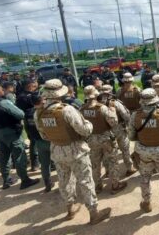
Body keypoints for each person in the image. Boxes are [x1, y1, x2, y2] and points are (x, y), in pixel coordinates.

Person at [35, 80, 111, 224]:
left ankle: (70, 209)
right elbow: (84, 130)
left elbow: (43, 135)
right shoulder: (67, 109)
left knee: (64, 181)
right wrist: (89, 123)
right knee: (85, 181)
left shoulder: (39, 113)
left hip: (57, 151)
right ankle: (94, 213)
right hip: (76, 151)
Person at [128, 88, 159, 215]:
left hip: (143, 151)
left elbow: (130, 136)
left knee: (145, 178)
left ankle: (146, 203)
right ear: (155, 100)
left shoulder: (135, 115)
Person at [0, 82, 39, 190]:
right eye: (0, 88)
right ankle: (25, 180)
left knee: (3, 157)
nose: (2, 90)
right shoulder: (2, 102)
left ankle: (6, 180)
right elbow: (20, 114)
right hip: (10, 132)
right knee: (19, 156)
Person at [80, 86, 128, 195]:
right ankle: (115, 185)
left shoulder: (82, 109)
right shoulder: (102, 108)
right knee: (112, 161)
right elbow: (114, 122)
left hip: (91, 139)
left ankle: (97, 186)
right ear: (96, 95)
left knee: (95, 163)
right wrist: (112, 110)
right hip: (105, 138)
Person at [98, 84, 137, 177]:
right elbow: (126, 115)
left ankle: (108, 171)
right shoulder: (115, 102)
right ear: (111, 91)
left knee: (106, 152)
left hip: (104, 131)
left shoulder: (97, 103)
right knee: (125, 148)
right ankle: (129, 167)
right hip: (118, 129)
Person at [16, 80, 41, 172]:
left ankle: (35, 163)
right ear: (29, 86)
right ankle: (36, 163)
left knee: (32, 140)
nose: (35, 87)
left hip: (26, 120)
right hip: (34, 118)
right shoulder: (31, 96)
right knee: (38, 140)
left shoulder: (19, 96)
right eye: (33, 85)